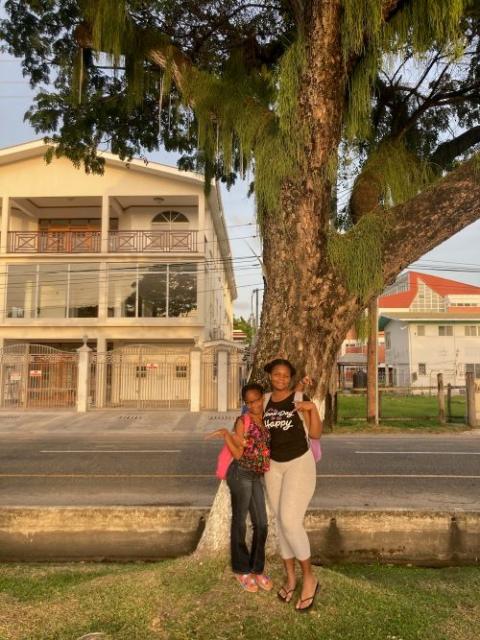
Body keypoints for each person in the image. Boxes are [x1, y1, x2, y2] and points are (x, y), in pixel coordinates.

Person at [262, 358, 322, 612]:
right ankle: (291, 577)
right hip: (273, 467)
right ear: (271, 376)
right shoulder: (264, 401)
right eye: (277, 374)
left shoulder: (299, 398)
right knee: (280, 521)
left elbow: (317, 434)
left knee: (289, 521)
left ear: (290, 378)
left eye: (285, 375)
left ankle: (310, 577)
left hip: (299, 463)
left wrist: (312, 409)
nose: (281, 378)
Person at [205, 382, 272, 593]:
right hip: (240, 473)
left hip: (256, 476)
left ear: (263, 397)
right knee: (240, 523)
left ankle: (257, 568)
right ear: (246, 403)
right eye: (250, 402)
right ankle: (241, 569)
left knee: (262, 523)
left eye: (258, 400)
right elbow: (238, 454)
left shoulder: (267, 419)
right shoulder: (243, 421)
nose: (255, 405)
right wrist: (227, 435)